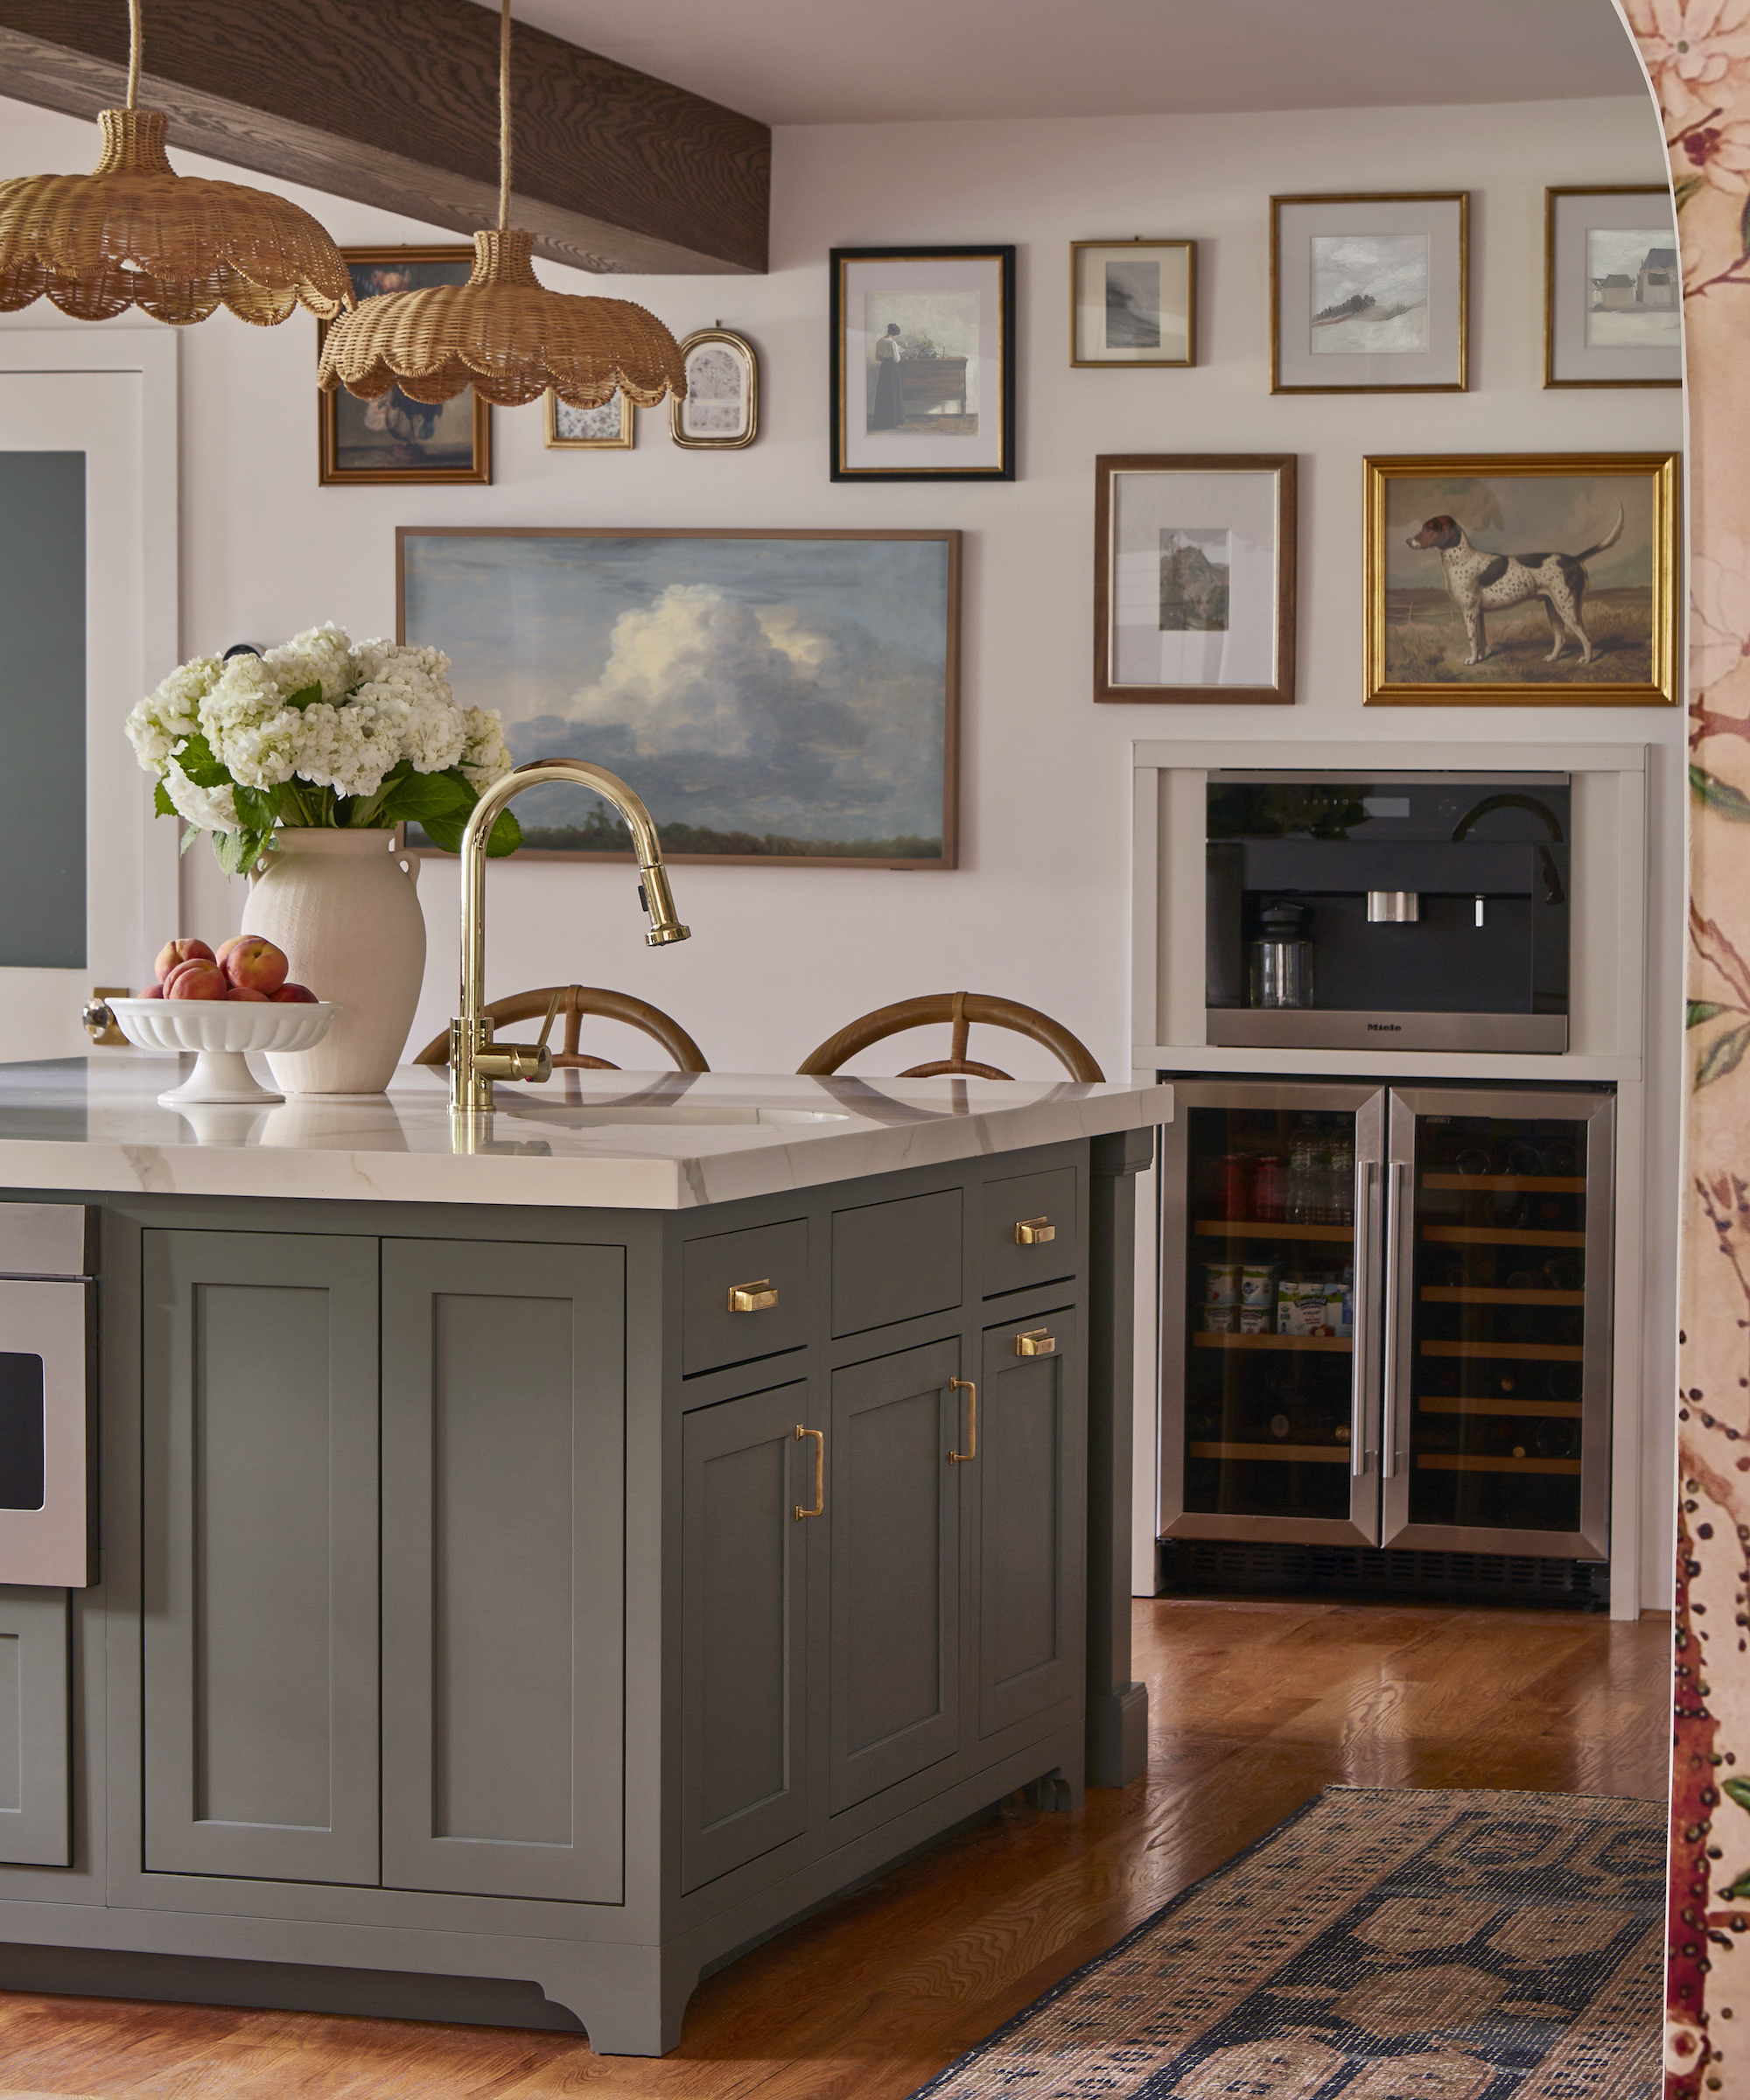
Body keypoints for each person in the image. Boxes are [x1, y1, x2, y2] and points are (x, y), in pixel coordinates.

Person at [870, 322, 905, 430]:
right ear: (894, 334)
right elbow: (897, 359)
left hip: (884, 367)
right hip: (892, 368)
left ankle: (882, 421)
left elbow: (878, 358)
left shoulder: (879, 341)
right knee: (893, 392)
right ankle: (893, 421)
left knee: (884, 393)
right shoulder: (892, 343)